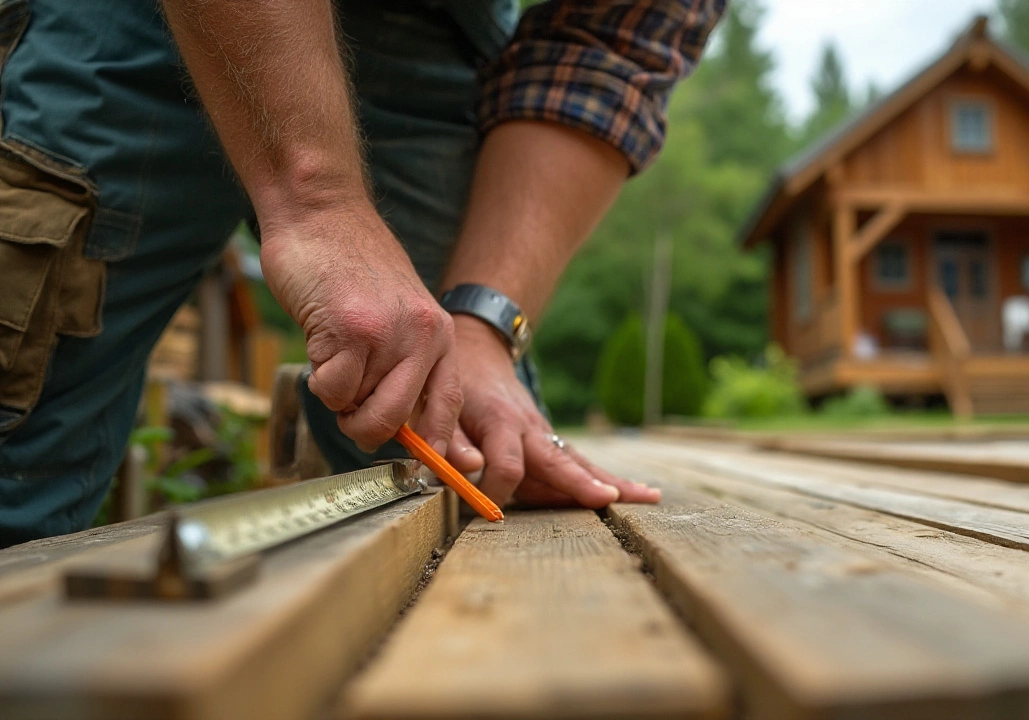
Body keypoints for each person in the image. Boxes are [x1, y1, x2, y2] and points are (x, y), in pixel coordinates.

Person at [0, 0, 724, 547]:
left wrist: (483, 323)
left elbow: (605, 47)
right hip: (127, 20)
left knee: (466, 453)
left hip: (434, 27)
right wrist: (316, 202)